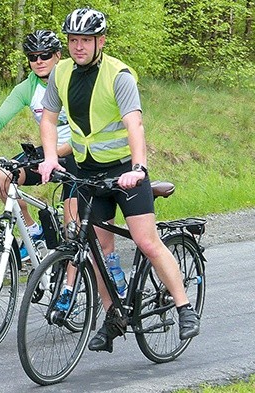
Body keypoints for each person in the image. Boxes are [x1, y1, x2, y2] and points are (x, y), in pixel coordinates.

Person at [37, 8, 200, 352]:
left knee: (146, 241)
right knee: (99, 252)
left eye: (85, 40)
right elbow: (49, 119)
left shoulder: (119, 75)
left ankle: (184, 307)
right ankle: (113, 317)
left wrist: (138, 169)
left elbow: (134, 125)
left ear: (101, 41)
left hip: (125, 171)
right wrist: (51, 158)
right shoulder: (61, 73)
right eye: (72, 40)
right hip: (88, 172)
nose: (78, 47)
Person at [0, 30, 78, 268]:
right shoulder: (28, 87)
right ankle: (33, 231)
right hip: (50, 150)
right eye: (33, 57)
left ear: (58, 56)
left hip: (79, 153)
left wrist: (56, 154)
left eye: (44, 55)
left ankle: (72, 281)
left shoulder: (72, 81)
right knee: (2, 176)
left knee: (71, 227)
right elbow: (0, 116)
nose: (38, 61)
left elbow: (87, 132)